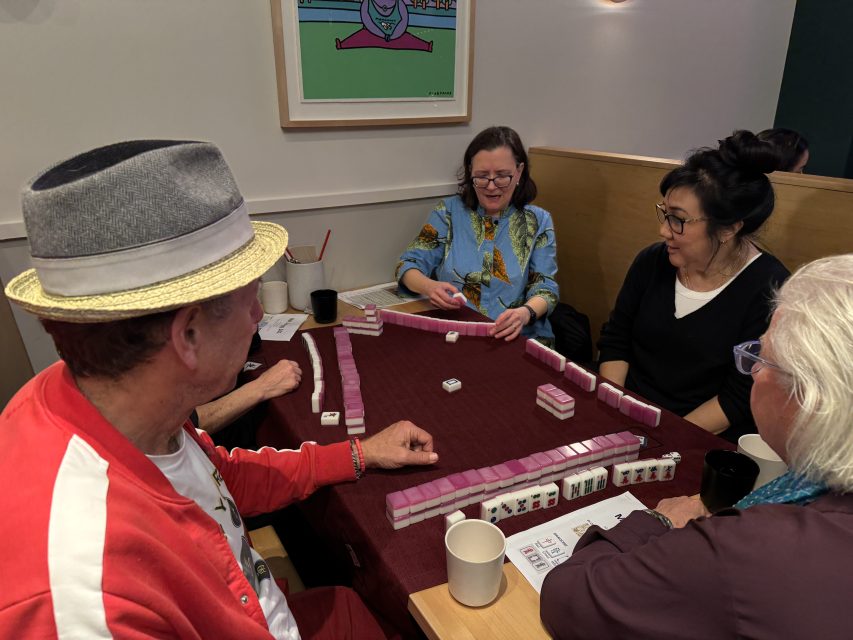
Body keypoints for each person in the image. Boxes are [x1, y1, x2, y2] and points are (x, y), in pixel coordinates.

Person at [0, 140, 439, 640]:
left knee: (352, 603)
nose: (258, 318)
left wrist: (359, 453)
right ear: (187, 335)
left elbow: (219, 479)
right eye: (251, 301)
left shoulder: (119, 402)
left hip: (264, 606)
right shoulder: (88, 601)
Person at [541, 254, 853, 639]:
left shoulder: (752, 547)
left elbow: (568, 597)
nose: (753, 371)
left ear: (810, 397)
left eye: (761, 357)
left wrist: (658, 522)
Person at [597, 130, 790, 442]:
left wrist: (660, 439)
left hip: (694, 437)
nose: (663, 230)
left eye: (678, 220)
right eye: (664, 213)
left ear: (728, 228)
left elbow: (737, 400)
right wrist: (614, 411)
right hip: (629, 418)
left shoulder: (769, 290)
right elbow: (616, 340)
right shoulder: (652, 261)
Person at [396, 125, 559, 343]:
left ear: (519, 172)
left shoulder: (538, 221)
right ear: (470, 173)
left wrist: (525, 313)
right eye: (482, 177)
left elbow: (546, 288)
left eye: (502, 176)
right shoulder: (449, 212)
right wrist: (430, 287)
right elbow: (406, 265)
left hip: (518, 337)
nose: (491, 186)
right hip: (456, 334)